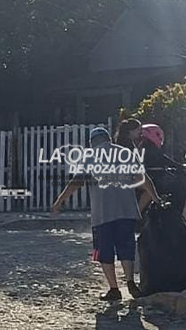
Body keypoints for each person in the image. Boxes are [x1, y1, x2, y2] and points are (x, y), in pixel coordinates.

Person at [52, 126, 158, 302]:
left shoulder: (89, 157)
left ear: (92, 142)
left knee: (105, 252)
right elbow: (144, 178)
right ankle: (131, 282)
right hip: (126, 211)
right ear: (108, 138)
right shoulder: (125, 153)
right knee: (126, 248)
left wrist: (59, 202)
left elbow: (76, 183)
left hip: (103, 213)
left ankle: (114, 289)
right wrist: (155, 197)